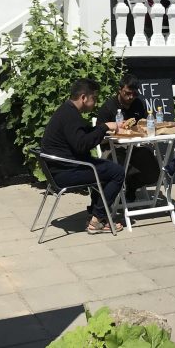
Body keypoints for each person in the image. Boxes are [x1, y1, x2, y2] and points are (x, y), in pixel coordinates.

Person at [41, 79, 125, 233]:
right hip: (65, 173)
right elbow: (82, 145)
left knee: (103, 166)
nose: (96, 103)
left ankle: (96, 214)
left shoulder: (67, 110)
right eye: (95, 98)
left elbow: (82, 134)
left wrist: (102, 130)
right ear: (84, 98)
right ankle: (97, 219)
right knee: (117, 172)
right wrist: (104, 127)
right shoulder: (70, 115)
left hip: (59, 169)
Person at [95, 74, 160, 199]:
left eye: (135, 94)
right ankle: (107, 199)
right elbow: (99, 135)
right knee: (116, 163)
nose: (131, 97)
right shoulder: (108, 108)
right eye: (128, 93)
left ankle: (132, 185)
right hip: (113, 147)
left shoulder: (138, 104)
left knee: (153, 171)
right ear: (120, 90)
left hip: (134, 146)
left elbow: (145, 123)